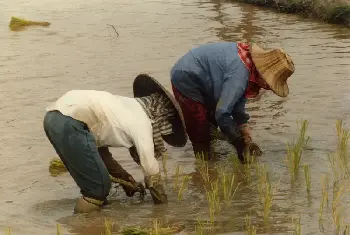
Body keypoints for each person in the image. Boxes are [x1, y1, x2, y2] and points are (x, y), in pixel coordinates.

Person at [43, 74, 187, 213]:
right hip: (70, 122)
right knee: (98, 189)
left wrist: (126, 179)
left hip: (52, 118)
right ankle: (78, 223)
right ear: (161, 115)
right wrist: (162, 208)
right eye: (165, 123)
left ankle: (93, 225)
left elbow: (100, 154)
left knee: (95, 183)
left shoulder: (125, 106)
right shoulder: (142, 122)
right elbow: (150, 168)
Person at [170, 41, 295, 162]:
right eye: (267, 83)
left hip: (205, 76)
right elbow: (223, 112)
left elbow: (237, 100)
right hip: (186, 76)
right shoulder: (240, 74)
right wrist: (237, 142)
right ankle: (204, 167)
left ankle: (212, 158)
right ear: (263, 75)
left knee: (212, 120)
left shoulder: (248, 65)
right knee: (199, 127)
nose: (265, 87)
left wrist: (242, 126)